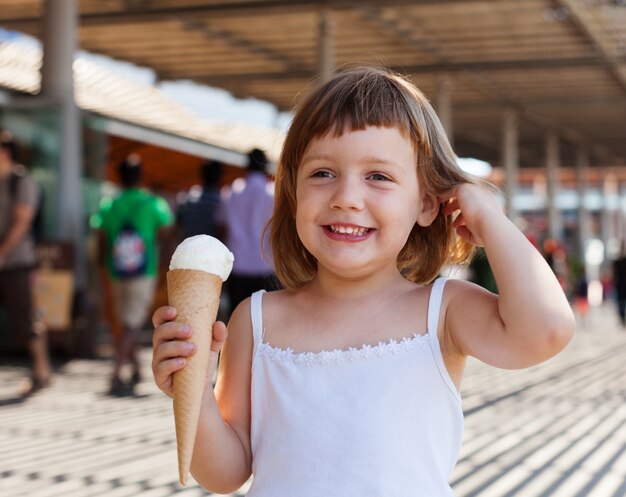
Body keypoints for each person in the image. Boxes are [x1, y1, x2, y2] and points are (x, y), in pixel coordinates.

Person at [151, 67, 575, 495]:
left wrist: (490, 218)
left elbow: (547, 330)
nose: (346, 198)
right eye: (322, 173)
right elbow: (225, 475)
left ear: (428, 204)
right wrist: (197, 396)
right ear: (293, 191)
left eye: (378, 177)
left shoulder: (442, 312)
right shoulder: (256, 319)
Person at [91, 154, 174, 396]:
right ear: (140, 177)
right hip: (143, 269)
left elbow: (101, 237)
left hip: (116, 270)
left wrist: (101, 268)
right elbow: (167, 232)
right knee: (132, 323)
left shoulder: (110, 204)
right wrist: (165, 264)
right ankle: (116, 373)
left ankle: (135, 368)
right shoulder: (151, 203)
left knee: (127, 322)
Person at [0, 130, 52, 395]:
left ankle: (41, 371)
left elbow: (23, 222)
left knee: (25, 316)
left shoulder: (22, 181)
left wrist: (2, 252)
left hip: (17, 260)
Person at [219, 148, 277, 312]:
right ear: (266, 166)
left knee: (236, 320)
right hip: (266, 265)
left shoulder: (231, 191)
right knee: (266, 324)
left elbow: (222, 226)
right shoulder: (273, 193)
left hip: (237, 265)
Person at [177, 159, 224, 240]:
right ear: (220, 176)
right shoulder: (222, 201)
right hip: (212, 249)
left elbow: (178, 227)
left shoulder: (189, 198)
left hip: (189, 248)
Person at [613, 242, 626, 327]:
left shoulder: (617, 261)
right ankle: (622, 316)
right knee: (621, 302)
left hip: (620, 284)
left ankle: (622, 316)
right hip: (621, 284)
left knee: (621, 302)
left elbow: (615, 274)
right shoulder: (617, 261)